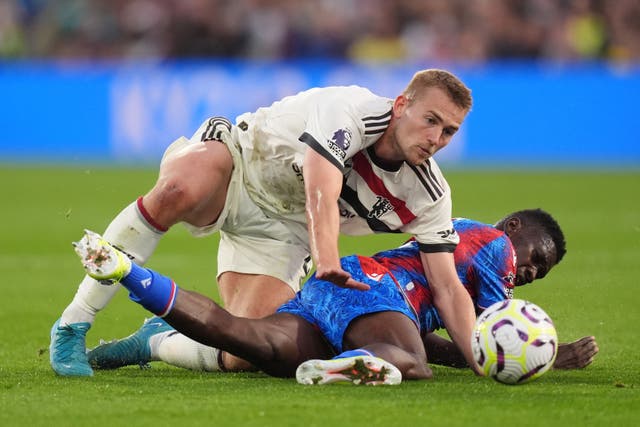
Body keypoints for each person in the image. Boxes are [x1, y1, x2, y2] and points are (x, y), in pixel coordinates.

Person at [51, 69, 480, 377]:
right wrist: (328, 257)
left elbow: (446, 287)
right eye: (431, 120)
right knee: (177, 190)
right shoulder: (349, 109)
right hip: (239, 165)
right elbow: (320, 189)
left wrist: (480, 359)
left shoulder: (429, 194)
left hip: (285, 232)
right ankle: (74, 324)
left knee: (245, 351)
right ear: (402, 105)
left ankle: (156, 342)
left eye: (449, 132)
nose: (436, 139)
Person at [73, 209, 598, 384]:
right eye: (537, 256)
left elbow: (455, 345)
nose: (529, 269)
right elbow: (488, 341)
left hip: (339, 290)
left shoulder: (459, 242)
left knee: (246, 343)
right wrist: (547, 359)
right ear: (514, 229)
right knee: (410, 363)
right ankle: (344, 366)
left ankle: (129, 276)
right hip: (372, 287)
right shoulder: (495, 246)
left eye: (539, 272)